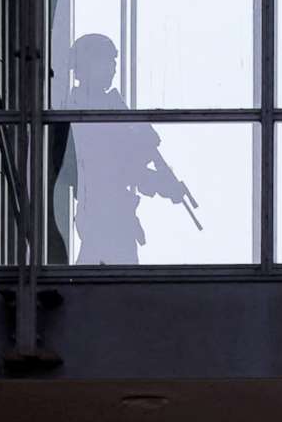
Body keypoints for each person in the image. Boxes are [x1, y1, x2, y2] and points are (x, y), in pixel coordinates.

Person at [62, 33, 192, 264]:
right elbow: (116, 165)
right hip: (103, 213)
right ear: (86, 66)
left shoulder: (102, 104)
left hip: (110, 212)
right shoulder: (83, 108)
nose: (112, 68)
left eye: (113, 62)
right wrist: (158, 178)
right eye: (106, 62)